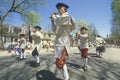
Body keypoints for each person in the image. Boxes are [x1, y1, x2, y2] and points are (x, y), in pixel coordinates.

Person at [50, 2, 75, 80]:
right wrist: (51, 20)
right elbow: (54, 30)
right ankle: (66, 77)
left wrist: (53, 17)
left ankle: (66, 78)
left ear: (64, 9)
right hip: (58, 42)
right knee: (59, 63)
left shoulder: (67, 16)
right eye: (58, 8)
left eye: (60, 8)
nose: (58, 9)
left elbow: (58, 20)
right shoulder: (58, 18)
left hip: (63, 42)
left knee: (60, 61)